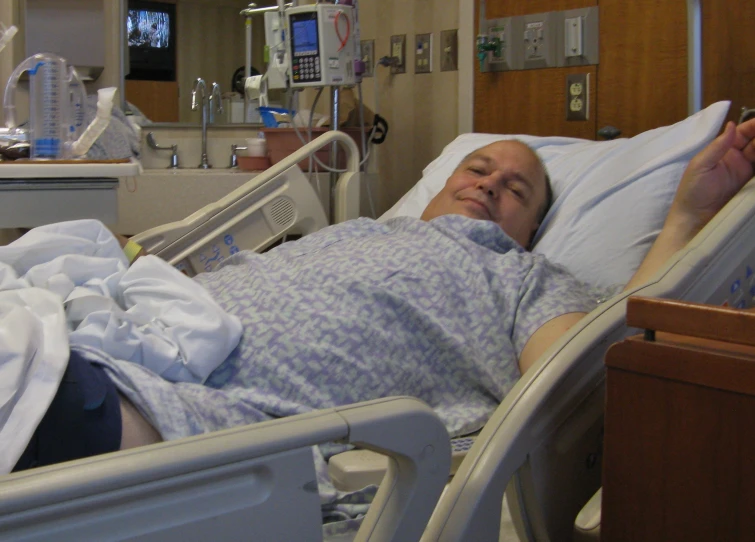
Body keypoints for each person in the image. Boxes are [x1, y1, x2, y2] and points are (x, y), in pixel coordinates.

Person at [10, 118, 755, 473]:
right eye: (478, 170)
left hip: (163, 409)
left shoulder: (520, 277)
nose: (491, 183)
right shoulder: (350, 230)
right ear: (437, 188)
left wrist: (686, 216)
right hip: (97, 334)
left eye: (516, 189)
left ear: (528, 231)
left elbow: (590, 373)